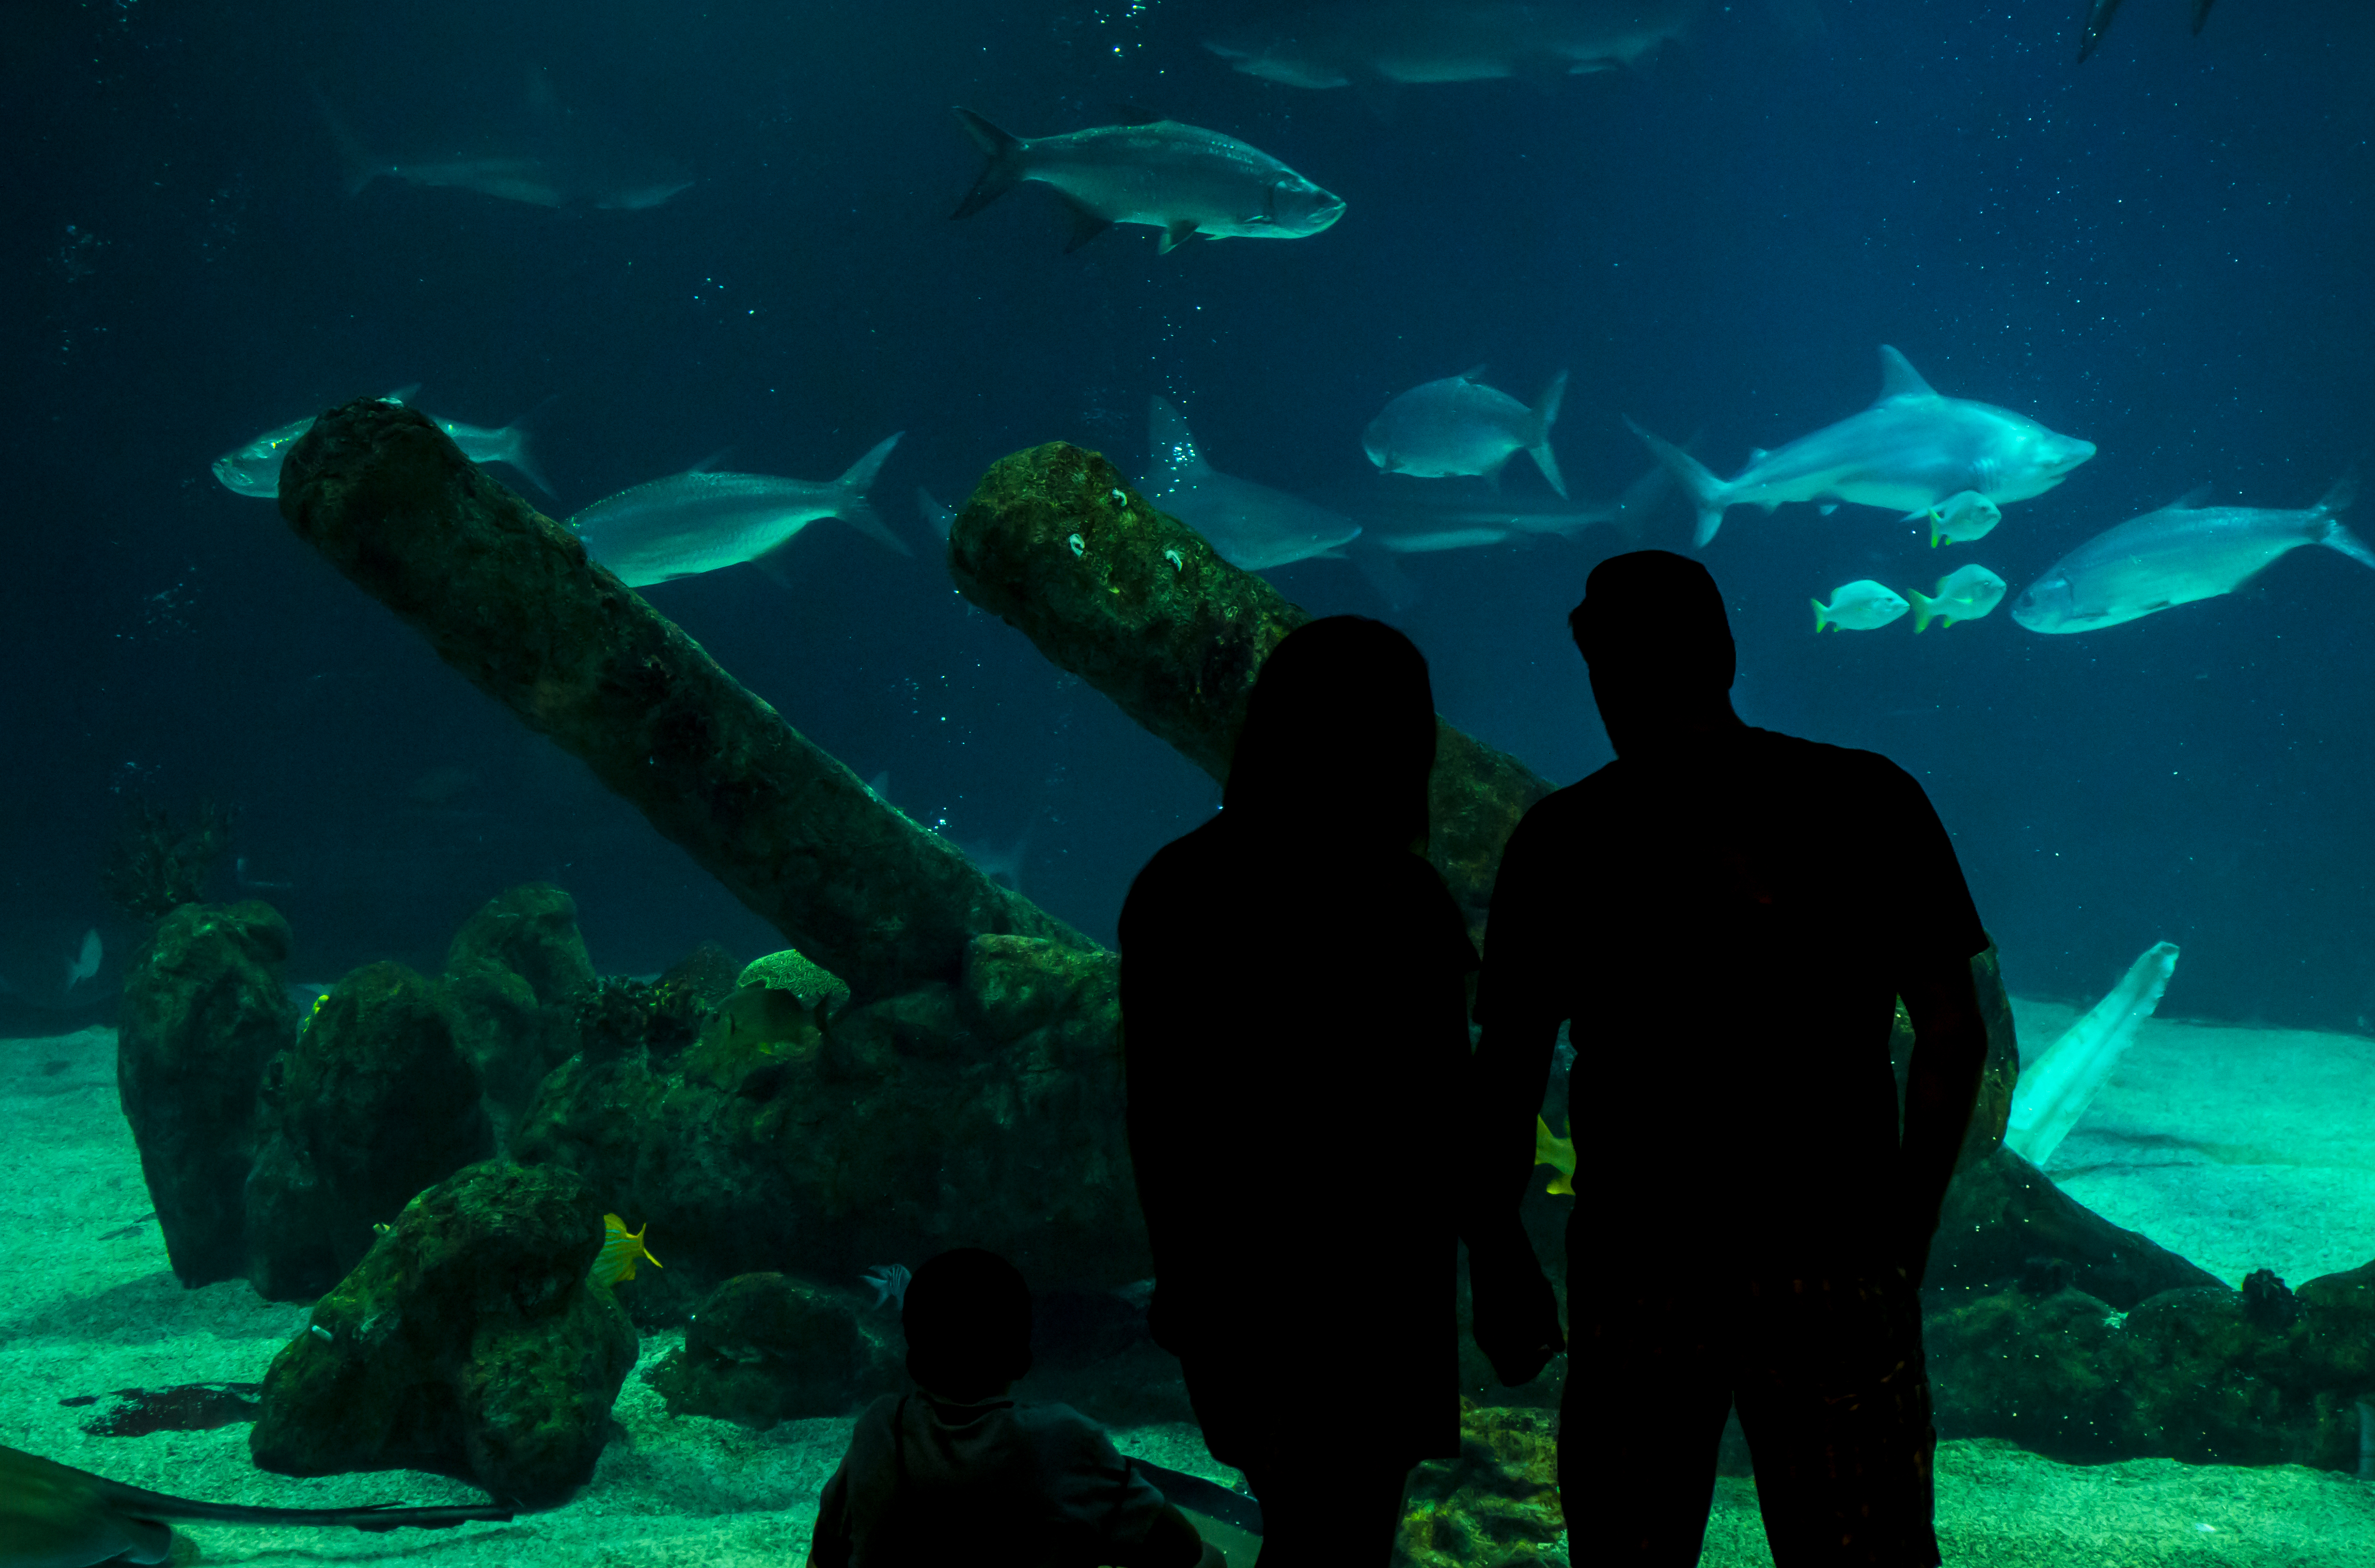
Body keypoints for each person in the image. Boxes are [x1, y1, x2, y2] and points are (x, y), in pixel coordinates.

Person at [1465, 551, 1992, 1567]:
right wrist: (1903, 1227)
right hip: (1830, 1243)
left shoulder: (1564, 837)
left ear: (1599, 673)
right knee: (1862, 1543)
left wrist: (1494, 1252)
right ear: (1724, 656)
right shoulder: (1868, 796)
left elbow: (1510, 1064)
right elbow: (1950, 1029)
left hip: (1641, 1255)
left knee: (1628, 1539)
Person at [1118, 616, 1488, 1567]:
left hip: (1233, 1277)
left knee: (1300, 1519)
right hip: (1375, 1287)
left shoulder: (1174, 886)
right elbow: (1449, 1113)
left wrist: (1182, 1286)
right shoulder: (1405, 902)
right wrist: (1495, 1261)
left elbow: (1158, 1120)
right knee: (1347, 1530)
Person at [808, 1248, 1221, 1568]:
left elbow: (825, 1552)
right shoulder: (1062, 1438)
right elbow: (1180, 1547)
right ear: (1024, 1359)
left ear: (912, 1361)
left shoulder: (880, 1426)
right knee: (1212, 1558)